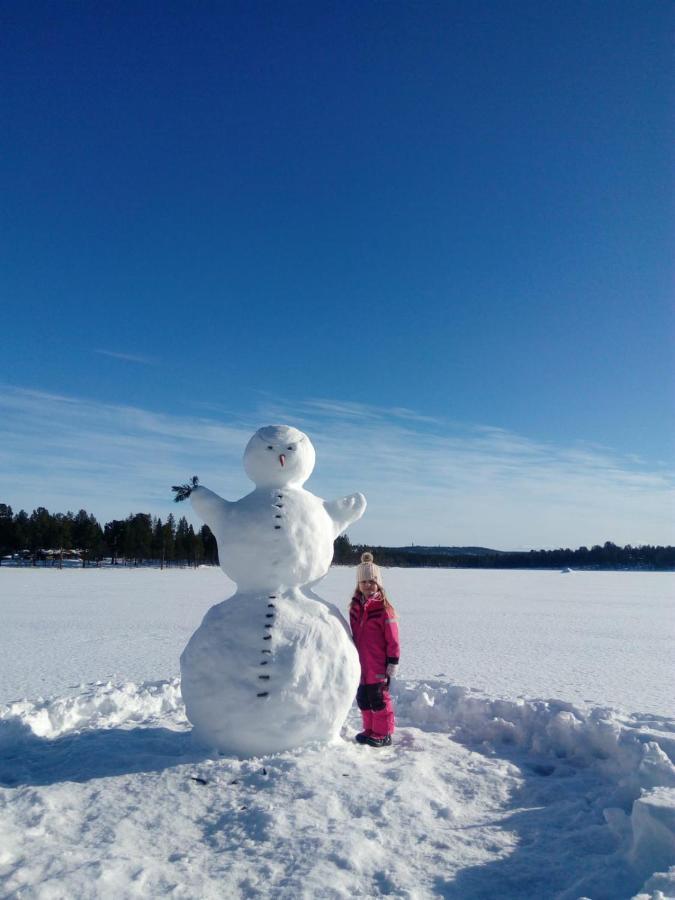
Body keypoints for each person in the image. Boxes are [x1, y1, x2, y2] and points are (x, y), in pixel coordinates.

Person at [349, 551, 400, 747]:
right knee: (363, 697)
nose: (367, 586)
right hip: (360, 663)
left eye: (371, 581)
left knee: (379, 698)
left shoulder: (384, 609)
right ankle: (370, 729)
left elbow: (393, 638)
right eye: (363, 582)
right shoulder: (355, 606)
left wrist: (393, 661)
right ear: (358, 584)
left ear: (378, 583)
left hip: (378, 663)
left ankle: (384, 733)